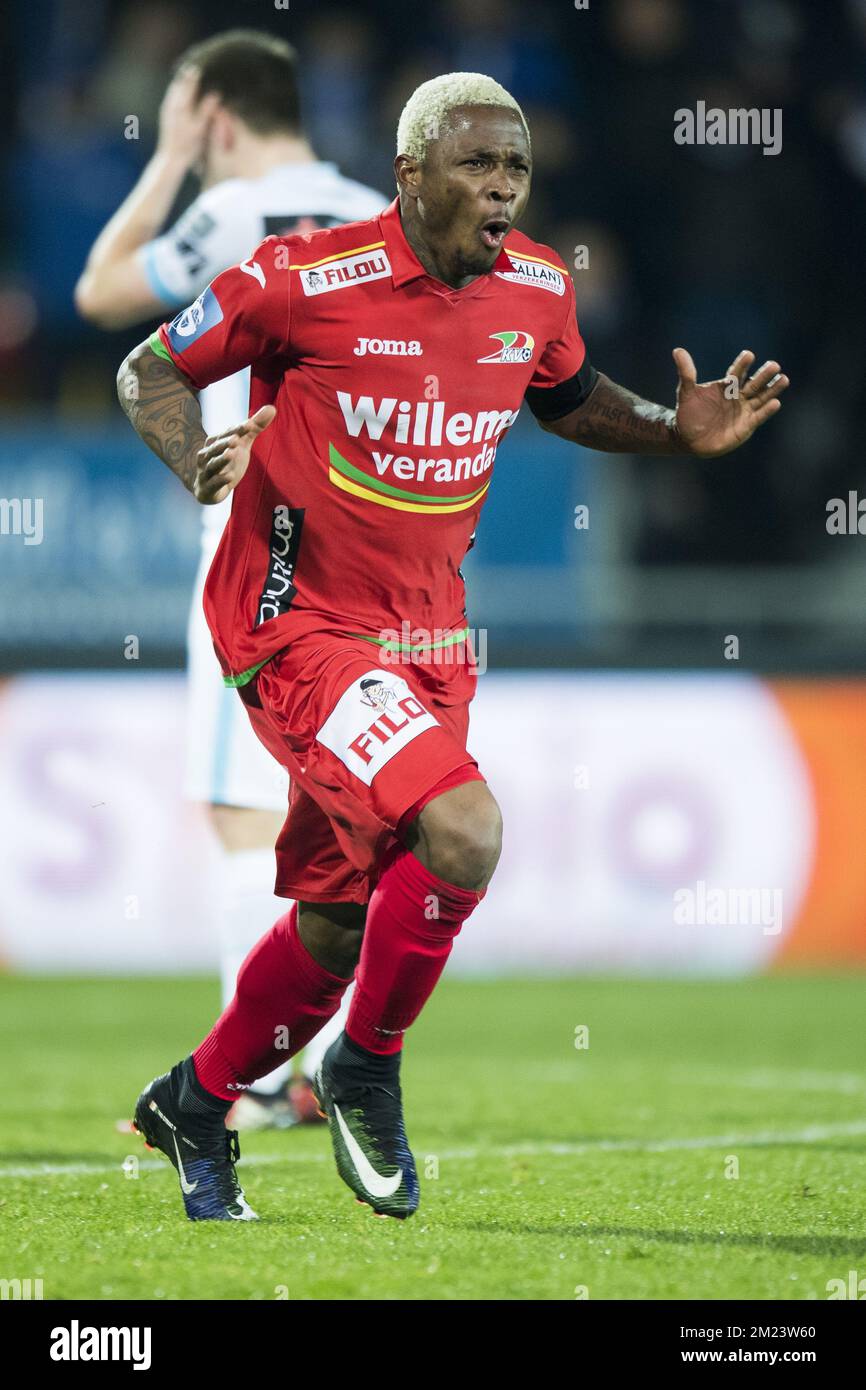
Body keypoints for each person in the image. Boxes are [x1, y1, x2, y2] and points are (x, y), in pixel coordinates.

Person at [116, 71, 788, 1221]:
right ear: (409, 174)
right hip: (294, 623)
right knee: (464, 828)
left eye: (514, 169)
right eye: (475, 166)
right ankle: (363, 1067)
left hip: (425, 632)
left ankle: (198, 1095)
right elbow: (150, 368)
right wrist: (197, 463)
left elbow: (566, 399)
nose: (499, 189)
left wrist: (676, 432)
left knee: (336, 922)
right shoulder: (302, 281)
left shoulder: (534, 287)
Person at [77, 30, 385, 1129]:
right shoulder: (379, 214)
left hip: (256, 561)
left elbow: (101, 291)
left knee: (237, 816)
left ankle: (254, 1078)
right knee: (344, 815)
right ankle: (327, 1066)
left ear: (210, 113)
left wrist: (164, 163)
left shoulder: (232, 221)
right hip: (375, 555)